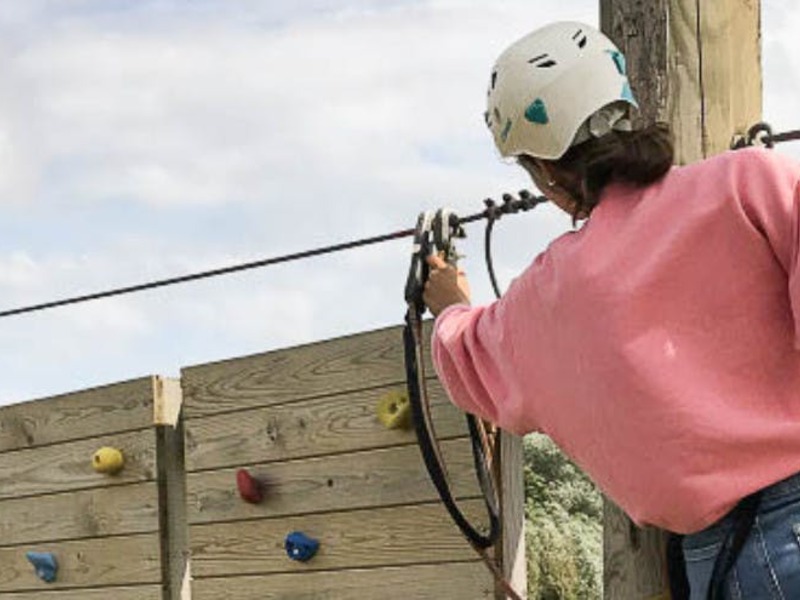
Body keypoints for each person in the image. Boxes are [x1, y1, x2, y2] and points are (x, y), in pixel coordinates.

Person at [422, 21, 800, 600]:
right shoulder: (752, 180)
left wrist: (446, 299)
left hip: (731, 561)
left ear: (546, 174)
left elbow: (470, 361)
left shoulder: (549, 294)